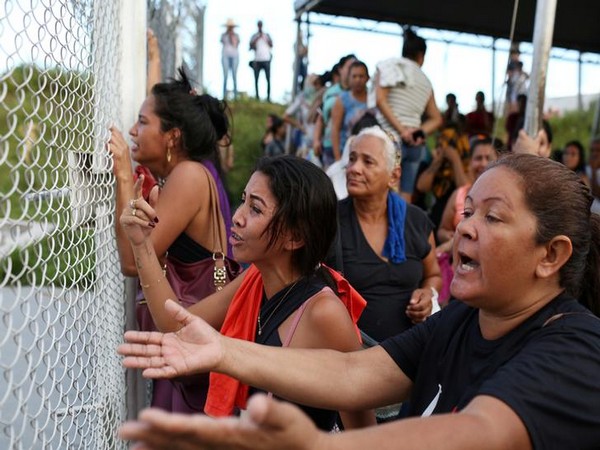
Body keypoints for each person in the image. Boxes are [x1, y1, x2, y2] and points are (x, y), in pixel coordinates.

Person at [119, 153, 600, 450]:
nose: (466, 228)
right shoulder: (462, 321)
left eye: (493, 217)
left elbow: (484, 432)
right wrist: (225, 352)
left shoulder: (576, 347)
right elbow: (354, 373)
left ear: (551, 255)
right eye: (468, 210)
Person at [118, 155, 374, 430]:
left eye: (255, 209)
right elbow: (175, 325)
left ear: (295, 237)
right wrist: (142, 244)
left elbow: (363, 433)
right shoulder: (256, 280)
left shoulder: (323, 313)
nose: (237, 217)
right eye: (243, 200)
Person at [107, 66, 234, 414]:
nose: (133, 131)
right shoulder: (190, 173)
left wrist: (121, 175)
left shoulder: (188, 175)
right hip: (187, 345)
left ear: (173, 136)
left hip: (194, 345)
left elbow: (133, 262)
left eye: (143, 122)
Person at [328, 126, 441, 345]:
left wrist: (428, 293)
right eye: (352, 159)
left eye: (367, 162)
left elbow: (433, 274)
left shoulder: (416, 221)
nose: (354, 168)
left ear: (394, 176)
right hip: (349, 356)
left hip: (412, 354)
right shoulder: (329, 221)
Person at [375, 27, 443, 202]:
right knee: (405, 195)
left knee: (382, 193)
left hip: (390, 139)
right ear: (421, 56)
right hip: (415, 145)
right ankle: (399, 228)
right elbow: (437, 118)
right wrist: (417, 132)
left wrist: (402, 130)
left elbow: (380, 100)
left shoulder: (392, 66)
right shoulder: (426, 81)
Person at [436, 137, 499, 304]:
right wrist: (452, 238)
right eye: (478, 158)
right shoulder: (459, 194)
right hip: (456, 275)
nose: (483, 163)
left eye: (489, 158)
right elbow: (441, 230)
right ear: (470, 162)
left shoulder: (504, 201)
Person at [330, 61, 369, 164]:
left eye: (361, 76)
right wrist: (338, 159)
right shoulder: (342, 99)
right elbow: (335, 129)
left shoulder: (374, 99)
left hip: (369, 155)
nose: (358, 80)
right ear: (349, 78)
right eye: (354, 76)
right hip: (346, 155)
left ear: (367, 78)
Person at [249, 20, 273, 102]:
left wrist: (263, 37)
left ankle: (268, 97)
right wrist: (258, 37)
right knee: (256, 79)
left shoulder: (266, 35)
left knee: (268, 79)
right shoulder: (254, 36)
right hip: (257, 60)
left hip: (266, 59)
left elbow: (271, 44)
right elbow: (250, 46)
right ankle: (257, 96)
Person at [220, 18, 240, 100]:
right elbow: (222, 41)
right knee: (225, 76)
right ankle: (224, 95)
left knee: (234, 76)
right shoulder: (223, 35)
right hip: (225, 56)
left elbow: (235, 44)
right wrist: (227, 34)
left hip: (234, 56)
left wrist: (231, 35)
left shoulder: (236, 36)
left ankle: (235, 96)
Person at [586, 137, 600, 214]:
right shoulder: (584, 169)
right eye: (592, 150)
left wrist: (594, 171)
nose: (594, 153)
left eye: (598, 150)